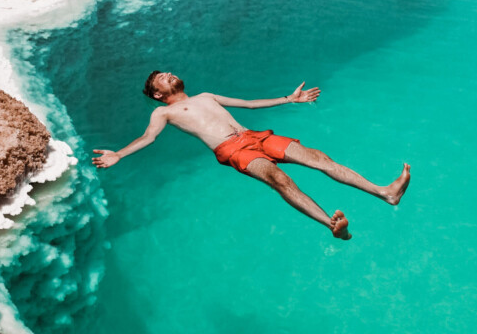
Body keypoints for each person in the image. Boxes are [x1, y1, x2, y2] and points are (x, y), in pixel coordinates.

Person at [92, 71, 411, 240]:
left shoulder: (205, 96)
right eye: (162, 77)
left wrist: (289, 99)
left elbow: (249, 103)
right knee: (281, 181)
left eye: (169, 71)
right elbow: (148, 138)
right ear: (158, 94)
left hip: (253, 136)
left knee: (318, 157)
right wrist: (118, 155)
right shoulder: (165, 113)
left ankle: (385, 192)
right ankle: (331, 224)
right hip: (231, 150)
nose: (169, 74)